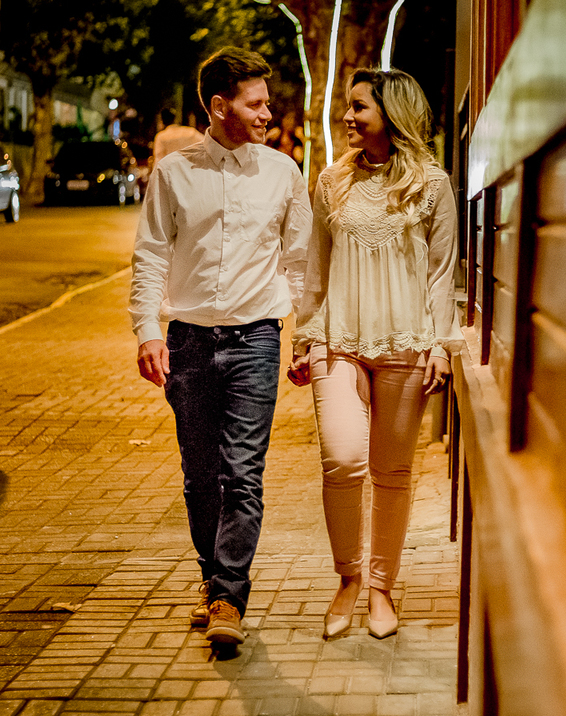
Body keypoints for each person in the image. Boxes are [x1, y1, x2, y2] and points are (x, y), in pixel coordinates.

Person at [130, 47, 312, 645]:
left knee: (243, 473)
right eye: (255, 103)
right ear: (219, 105)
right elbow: (151, 255)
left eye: (266, 102)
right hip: (186, 342)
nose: (267, 113)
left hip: (256, 339)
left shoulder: (284, 172)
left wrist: (290, 322)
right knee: (199, 475)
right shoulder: (174, 174)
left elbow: (299, 259)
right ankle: (211, 581)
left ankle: (230, 598)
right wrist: (148, 331)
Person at [288, 68, 460, 639]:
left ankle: (382, 588)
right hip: (338, 341)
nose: (348, 116)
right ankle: (348, 579)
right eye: (348, 107)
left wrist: (441, 343)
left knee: (392, 472)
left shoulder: (432, 185)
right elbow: (315, 268)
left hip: (409, 343)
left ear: (391, 112)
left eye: (358, 107)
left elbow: (442, 274)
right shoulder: (332, 182)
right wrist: (304, 334)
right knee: (341, 459)